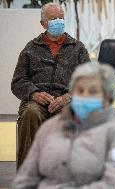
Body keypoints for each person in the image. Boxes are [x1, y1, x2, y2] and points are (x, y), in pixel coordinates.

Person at [11, 62, 115, 189]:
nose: (85, 96)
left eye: (93, 91)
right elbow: (26, 176)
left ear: (108, 97)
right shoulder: (49, 128)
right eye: (80, 90)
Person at [11, 2, 90, 168]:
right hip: (36, 102)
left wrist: (67, 98)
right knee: (31, 113)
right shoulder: (30, 48)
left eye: (61, 18)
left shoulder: (78, 48)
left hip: (66, 102)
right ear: (43, 23)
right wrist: (33, 93)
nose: (58, 22)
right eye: (53, 18)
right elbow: (18, 81)